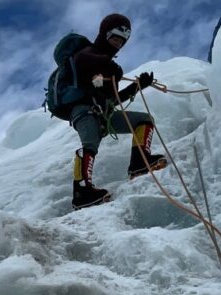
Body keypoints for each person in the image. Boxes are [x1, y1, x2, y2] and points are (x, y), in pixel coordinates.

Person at [67, 13, 166, 209]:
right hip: (83, 110)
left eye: (123, 40)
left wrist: (138, 86)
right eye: (116, 38)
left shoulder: (106, 67)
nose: (119, 43)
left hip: (103, 113)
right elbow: (82, 60)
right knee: (89, 145)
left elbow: (113, 99)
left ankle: (139, 162)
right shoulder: (88, 54)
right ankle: (81, 193)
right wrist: (110, 66)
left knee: (143, 120)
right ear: (105, 34)